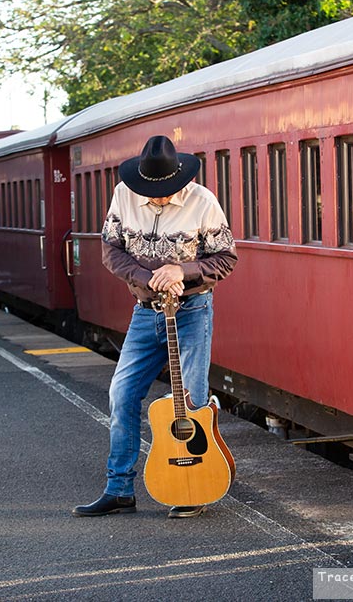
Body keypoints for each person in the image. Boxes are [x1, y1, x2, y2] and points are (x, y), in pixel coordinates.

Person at [72, 134, 238, 519]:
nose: (160, 197)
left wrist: (184, 269)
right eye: (153, 191)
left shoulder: (203, 201)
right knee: (122, 394)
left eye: (167, 191)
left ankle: (191, 487)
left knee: (192, 403)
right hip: (147, 311)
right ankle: (119, 490)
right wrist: (146, 278)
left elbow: (226, 258)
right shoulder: (124, 195)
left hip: (193, 310)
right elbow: (110, 249)